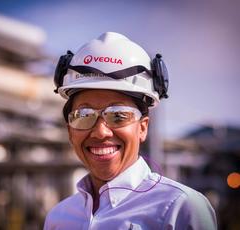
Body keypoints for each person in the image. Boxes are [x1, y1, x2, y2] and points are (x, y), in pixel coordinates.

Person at [44, 32, 217, 230]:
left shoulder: (181, 209)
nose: (101, 132)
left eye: (118, 115)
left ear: (143, 128)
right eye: (84, 115)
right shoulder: (58, 219)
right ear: (69, 130)